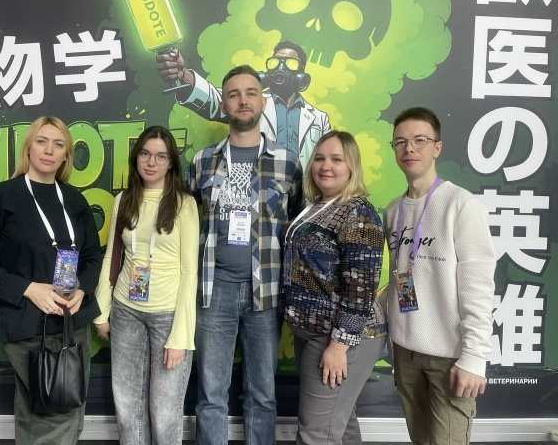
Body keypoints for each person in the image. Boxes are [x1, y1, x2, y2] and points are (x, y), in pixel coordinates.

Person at [0, 116, 102, 445]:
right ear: (28, 147)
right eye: (42, 141)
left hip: (73, 324)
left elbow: (93, 256)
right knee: (58, 418)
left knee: (43, 416)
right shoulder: (0, 198)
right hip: (27, 325)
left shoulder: (75, 201)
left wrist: (82, 288)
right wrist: (28, 288)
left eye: (58, 144)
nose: (49, 150)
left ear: (66, 155)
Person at [186, 64, 304, 445]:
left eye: (250, 93)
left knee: (263, 396)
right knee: (210, 395)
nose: (242, 101)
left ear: (262, 101)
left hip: (266, 291)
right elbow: (188, 221)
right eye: (233, 94)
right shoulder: (202, 161)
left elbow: (295, 225)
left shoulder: (288, 162)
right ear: (223, 103)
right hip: (213, 290)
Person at [384, 107, 496, 445]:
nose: (409, 148)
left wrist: (474, 356)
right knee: (420, 439)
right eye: (401, 142)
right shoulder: (393, 210)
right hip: (404, 351)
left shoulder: (461, 205)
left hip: (449, 354)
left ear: (437, 147)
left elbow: (478, 285)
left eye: (420, 140)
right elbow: (401, 279)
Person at [93, 126, 199, 445]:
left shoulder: (184, 205)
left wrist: (181, 336)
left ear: (171, 163)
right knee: (128, 409)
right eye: (145, 154)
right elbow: (112, 255)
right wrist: (101, 310)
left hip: (168, 317)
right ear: (136, 157)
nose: (151, 162)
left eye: (160, 156)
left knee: (164, 413)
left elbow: (189, 272)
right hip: (126, 312)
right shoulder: (124, 199)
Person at [281, 130, 386, 445]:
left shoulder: (358, 213)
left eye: (336, 159)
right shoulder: (318, 205)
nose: (325, 166)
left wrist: (339, 346)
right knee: (338, 424)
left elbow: (361, 291)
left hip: (341, 338)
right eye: (320, 158)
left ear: (351, 166)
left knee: (316, 434)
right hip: (312, 332)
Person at [156, 40, 331, 169]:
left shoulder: (319, 118)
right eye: (275, 61)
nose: (281, 68)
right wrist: (183, 75)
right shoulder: (252, 103)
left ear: (301, 72)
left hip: (303, 200)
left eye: (291, 63)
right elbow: (215, 99)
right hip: (262, 195)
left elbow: (326, 162)